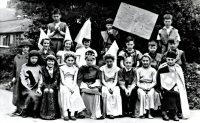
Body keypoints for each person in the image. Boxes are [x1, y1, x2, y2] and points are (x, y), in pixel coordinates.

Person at [156, 51, 190, 121]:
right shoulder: (162, 68)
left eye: (172, 60)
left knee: (175, 92)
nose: (170, 61)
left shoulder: (177, 68)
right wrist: (162, 86)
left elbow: (180, 80)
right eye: (169, 59)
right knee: (169, 93)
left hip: (175, 86)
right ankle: (171, 113)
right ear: (166, 59)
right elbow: (158, 79)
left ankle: (170, 112)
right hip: (164, 87)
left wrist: (176, 86)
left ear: (175, 60)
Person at [59, 53, 86, 121]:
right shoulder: (62, 68)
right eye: (69, 60)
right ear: (65, 60)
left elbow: (75, 79)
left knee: (75, 93)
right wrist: (68, 87)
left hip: (73, 84)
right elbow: (62, 80)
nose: (70, 62)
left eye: (72, 60)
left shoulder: (75, 68)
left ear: (74, 61)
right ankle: (65, 113)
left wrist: (73, 87)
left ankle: (72, 113)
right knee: (66, 93)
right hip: (64, 84)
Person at [77, 54, 103, 119]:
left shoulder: (97, 68)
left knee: (96, 92)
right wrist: (81, 85)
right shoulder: (82, 68)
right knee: (83, 92)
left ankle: (97, 113)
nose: (89, 62)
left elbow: (98, 79)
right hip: (84, 83)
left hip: (93, 84)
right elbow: (79, 79)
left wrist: (93, 85)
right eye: (88, 60)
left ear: (94, 60)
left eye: (91, 60)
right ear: (85, 60)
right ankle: (83, 112)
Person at [11, 40, 32, 116]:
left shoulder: (30, 56)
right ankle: (17, 108)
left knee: (25, 94)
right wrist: (13, 77)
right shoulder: (17, 57)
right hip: (17, 77)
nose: (25, 49)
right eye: (24, 47)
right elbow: (14, 68)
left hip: (26, 79)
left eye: (27, 47)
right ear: (21, 48)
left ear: (29, 48)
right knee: (16, 93)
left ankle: (24, 110)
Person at [19, 50, 42, 118]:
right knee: (29, 94)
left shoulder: (39, 67)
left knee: (35, 95)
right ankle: (25, 110)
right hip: (25, 87)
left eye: (36, 58)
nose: (34, 60)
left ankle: (34, 111)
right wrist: (28, 87)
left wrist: (39, 87)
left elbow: (41, 78)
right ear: (29, 58)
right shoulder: (24, 66)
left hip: (36, 87)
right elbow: (22, 78)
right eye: (32, 58)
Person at [136, 54, 159, 119]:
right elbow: (137, 82)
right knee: (142, 94)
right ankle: (142, 113)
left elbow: (154, 82)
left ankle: (149, 112)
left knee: (150, 94)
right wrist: (142, 87)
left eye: (147, 61)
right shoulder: (138, 70)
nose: (145, 62)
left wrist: (150, 87)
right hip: (141, 85)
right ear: (141, 61)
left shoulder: (153, 70)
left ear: (150, 61)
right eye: (143, 61)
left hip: (150, 85)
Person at [100, 54, 122, 119]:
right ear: (105, 61)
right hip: (105, 84)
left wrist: (112, 87)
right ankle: (109, 113)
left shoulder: (116, 68)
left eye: (110, 61)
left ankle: (116, 112)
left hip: (113, 84)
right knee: (107, 94)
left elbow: (115, 80)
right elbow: (103, 80)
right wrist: (108, 87)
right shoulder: (103, 68)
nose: (109, 63)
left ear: (113, 61)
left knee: (116, 94)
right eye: (107, 62)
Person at [38, 55, 60, 120]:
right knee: (45, 91)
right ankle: (44, 114)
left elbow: (56, 80)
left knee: (51, 92)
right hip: (45, 85)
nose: (50, 63)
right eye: (49, 61)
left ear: (54, 62)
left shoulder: (57, 68)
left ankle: (52, 114)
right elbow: (43, 79)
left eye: (52, 61)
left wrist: (52, 88)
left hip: (54, 86)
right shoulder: (43, 68)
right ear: (46, 61)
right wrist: (46, 87)